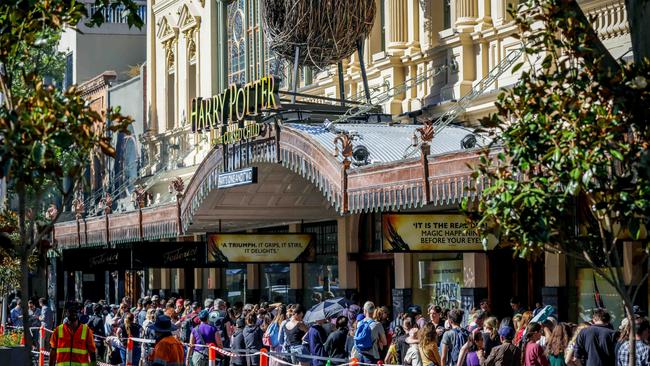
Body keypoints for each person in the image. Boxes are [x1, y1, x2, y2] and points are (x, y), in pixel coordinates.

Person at [49, 302, 97, 366]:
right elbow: (53, 351)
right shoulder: (58, 330)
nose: (73, 313)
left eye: (75, 311)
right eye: (70, 311)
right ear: (66, 313)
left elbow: (92, 352)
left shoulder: (86, 331)